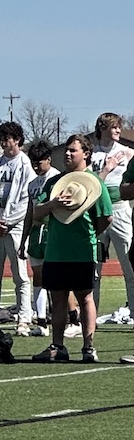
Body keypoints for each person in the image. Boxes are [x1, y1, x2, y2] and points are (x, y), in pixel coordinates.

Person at [28, 136, 113, 364]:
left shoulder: (95, 182)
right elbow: (37, 213)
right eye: (66, 150)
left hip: (82, 251)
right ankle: (58, 346)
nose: (67, 154)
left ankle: (88, 346)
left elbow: (106, 216)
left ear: (86, 153)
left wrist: (90, 235)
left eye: (73, 151)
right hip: (55, 250)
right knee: (58, 299)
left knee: (85, 297)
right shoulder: (54, 182)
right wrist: (53, 204)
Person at [0, 122, 36, 331]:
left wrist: (8, 222)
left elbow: (26, 199)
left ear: (18, 140)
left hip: (15, 230)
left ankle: (24, 318)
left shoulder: (26, 166)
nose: (4, 143)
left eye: (7, 139)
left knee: (20, 276)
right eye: (1, 139)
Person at [87, 112, 134, 315]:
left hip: (121, 209)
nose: (118, 130)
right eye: (114, 127)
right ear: (102, 128)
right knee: (94, 267)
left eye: (119, 127)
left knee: (129, 263)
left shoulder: (129, 152)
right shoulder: (93, 153)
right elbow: (87, 181)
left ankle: (133, 310)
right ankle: (91, 313)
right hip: (97, 213)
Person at [23, 140, 58, 335]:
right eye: (33, 162)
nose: (36, 166)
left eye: (39, 162)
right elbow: (30, 213)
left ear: (48, 159)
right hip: (36, 234)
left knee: (55, 277)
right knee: (38, 276)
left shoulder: (57, 178)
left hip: (52, 232)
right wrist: (23, 241)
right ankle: (42, 321)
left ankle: (70, 319)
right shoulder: (32, 184)